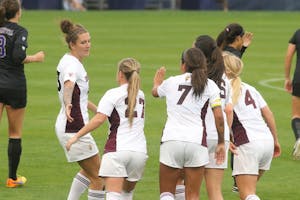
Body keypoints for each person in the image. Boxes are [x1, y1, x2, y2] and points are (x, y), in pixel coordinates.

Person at [66, 58, 148, 200]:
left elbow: (99, 119)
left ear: (121, 74)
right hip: (139, 153)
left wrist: (76, 136)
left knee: (113, 195)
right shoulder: (140, 94)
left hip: (118, 150)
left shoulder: (113, 93)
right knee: (126, 195)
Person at [152, 47, 225, 200]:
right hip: (196, 143)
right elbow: (219, 116)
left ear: (183, 65)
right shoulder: (210, 85)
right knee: (192, 196)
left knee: (166, 194)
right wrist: (220, 142)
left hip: (171, 140)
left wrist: (157, 83)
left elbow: (155, 92)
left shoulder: (171, 81)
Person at [55, 19, 104, 200]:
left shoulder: (69, 60)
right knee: (99, 177)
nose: (88, 45)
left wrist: (99, 109)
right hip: (73, 126)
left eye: (89, 41)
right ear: (72, 44)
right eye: (83, 42)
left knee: (88, 171)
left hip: (69, 123)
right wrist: (68, 103)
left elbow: (80, 97)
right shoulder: (72, 65)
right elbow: (69, 85)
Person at [223, 52, 281, 200]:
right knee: (248, 193)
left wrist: (225, 139)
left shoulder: (223, 89)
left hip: (247, 144)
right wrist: (275, 141)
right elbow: (269, 114)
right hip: (266, 141)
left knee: (248, 194)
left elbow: (227, 111)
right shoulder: (250, 88)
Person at [0, 0, 45, 188]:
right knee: (15, 133)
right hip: (14, 85)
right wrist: (36, 57)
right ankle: (12, 178)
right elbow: (19, 56)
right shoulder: (20, 31)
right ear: (18, 12)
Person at [216, 22, 253, 193]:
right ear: (238, 38)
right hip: (226, 102)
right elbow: (234, 67)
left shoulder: (221, 50)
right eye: (241, 39)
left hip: (218, 99)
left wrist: (243, 48)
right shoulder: (230, 54)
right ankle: (238, 179)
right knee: (233, 138)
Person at [194, 35, 232, 200]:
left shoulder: (197, 77)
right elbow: (228, 110)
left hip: (198, 135)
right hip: (219, 136)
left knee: (186, 189)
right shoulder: (225, 79)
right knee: (215, 191)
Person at [284, 29, 300, 160]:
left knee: (296, 114)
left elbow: (289, 55)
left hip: (299, 79)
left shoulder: (298, 33)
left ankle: (299, 139)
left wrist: (287, 77)